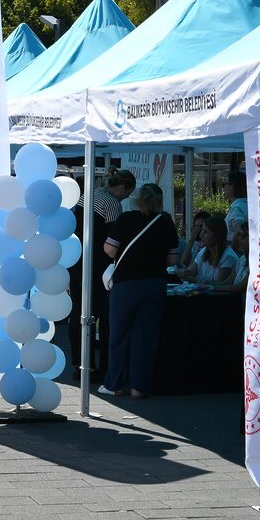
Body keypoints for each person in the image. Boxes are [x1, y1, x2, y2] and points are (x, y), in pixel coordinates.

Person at [100, 183, 178, 398]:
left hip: (126, 284)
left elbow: (109, 250)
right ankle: (139, 386)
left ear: (137, 199)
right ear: (160, 201)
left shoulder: (126, 219)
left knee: (119, 336)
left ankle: (115, 383)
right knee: (146, 338)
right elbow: (172, 259)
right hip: (155, 284)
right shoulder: (165, 222)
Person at [69, 167, 136, 374]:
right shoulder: (113, 205)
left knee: (78, 314)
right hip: (97, 266)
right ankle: (104, 365)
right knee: (101, 316)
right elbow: (113, 242)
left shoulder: (90, 194)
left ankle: (80, 364)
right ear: (122, 188)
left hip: (77, 259)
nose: (126, 198)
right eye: (128, 193)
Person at [178, 215, 239, 284]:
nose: (201, 235)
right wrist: (181, 272)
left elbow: (218, 287)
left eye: (205, 232)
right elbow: (190, 272)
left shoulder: (228, 257)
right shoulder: (203, 252)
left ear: (216, 235)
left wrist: (187, 276)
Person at [224, 170, 250, 239]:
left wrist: (233, 249)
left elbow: (239, 231)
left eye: (225, 183)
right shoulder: (248, 205)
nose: (224, 187)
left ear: (233, 187)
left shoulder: (237, 208)